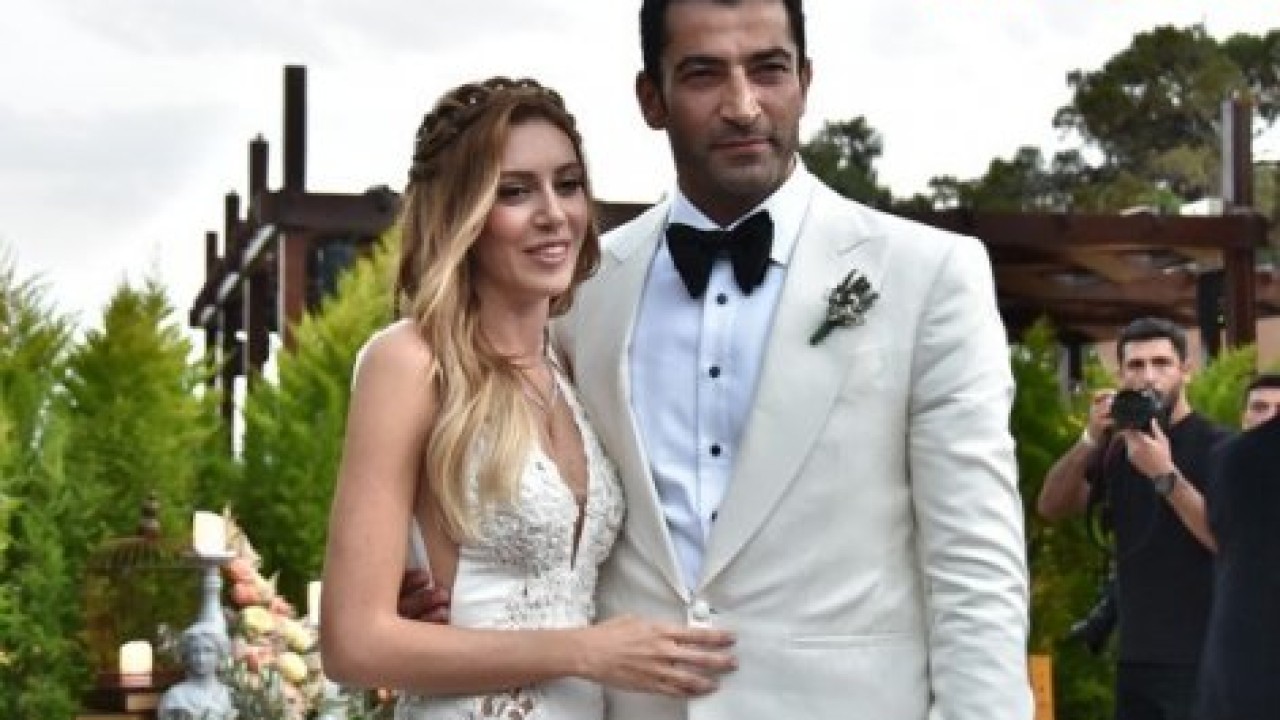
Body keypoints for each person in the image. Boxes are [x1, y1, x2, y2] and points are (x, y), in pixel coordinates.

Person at [405, 1, 1032, 717]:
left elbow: (976, 567)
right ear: (652, 98)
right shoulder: (578, 290)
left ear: (805, 80)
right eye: (704, 75)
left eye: (768, 70)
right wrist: (438, 594)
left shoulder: (928, 276)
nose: (742, 106)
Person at [319, 77, 736, 720]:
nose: (553, 213)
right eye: (514, 191)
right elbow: (353, 643)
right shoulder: (408, 362)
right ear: (461, 212)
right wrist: (585, 651)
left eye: (567, 184)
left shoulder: (570, 363)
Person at [1038, 317, 1230, 720]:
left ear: (1186, 370)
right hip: (1136, 656)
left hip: (1202, 655)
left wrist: (1165, 476)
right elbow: (1051, 506)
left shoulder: (1219, 447)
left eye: (1161, 363)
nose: (1149, 377)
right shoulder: (1117, 448)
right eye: (1136, 366)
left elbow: (1227, 540)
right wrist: (1089, 439)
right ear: (1120, 375)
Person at [1195, 373, 1280, 720]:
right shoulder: (1221, 459)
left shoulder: (1227, 458)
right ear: (1243, 416)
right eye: (1260, 408)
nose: (1270, 418)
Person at [156, 623, 236, 720]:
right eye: (195, 651)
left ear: (219, 655)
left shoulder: (230, 695)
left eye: (208, 650)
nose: (201, 658)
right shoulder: (175, 697)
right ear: (187, 656)